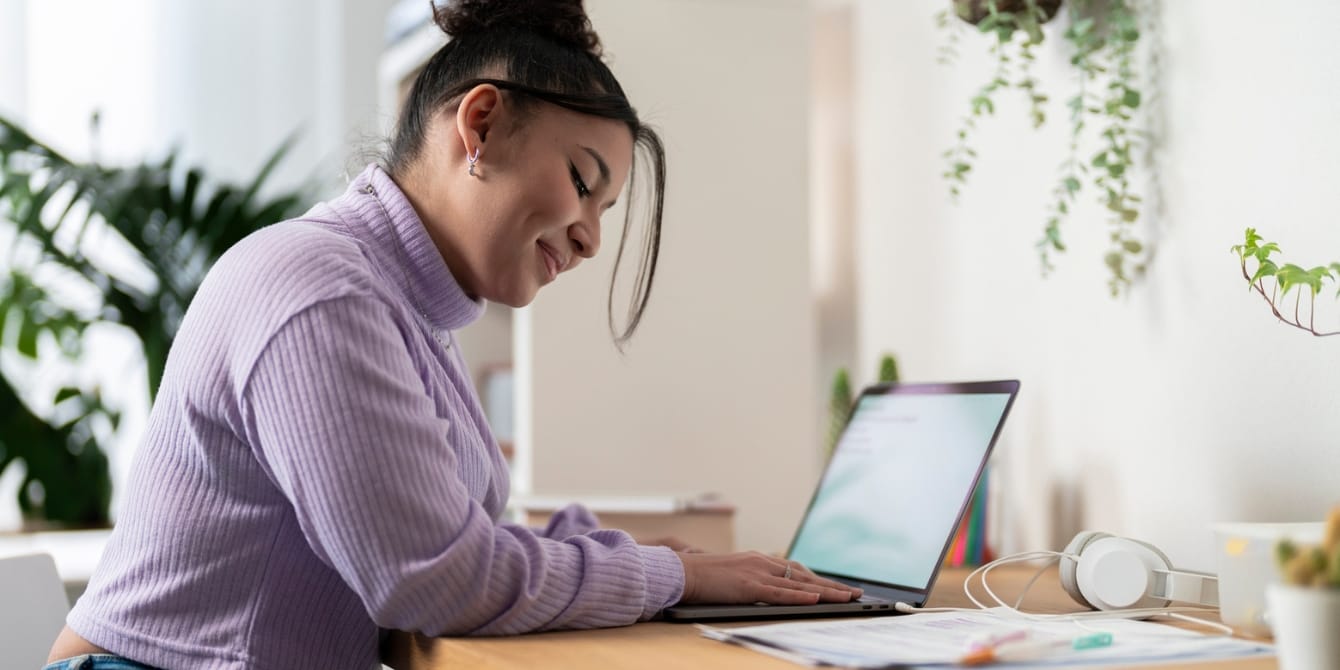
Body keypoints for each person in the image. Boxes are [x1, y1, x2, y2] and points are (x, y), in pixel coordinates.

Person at [46, 1, 861, 668]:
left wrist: (656, 563)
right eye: (583, 183)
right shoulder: (321, 290)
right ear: (479, 125)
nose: (589, 239)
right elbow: (436, 579)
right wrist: (665, 573)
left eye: (603, 213)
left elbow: (460, 534)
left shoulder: (404, 306)